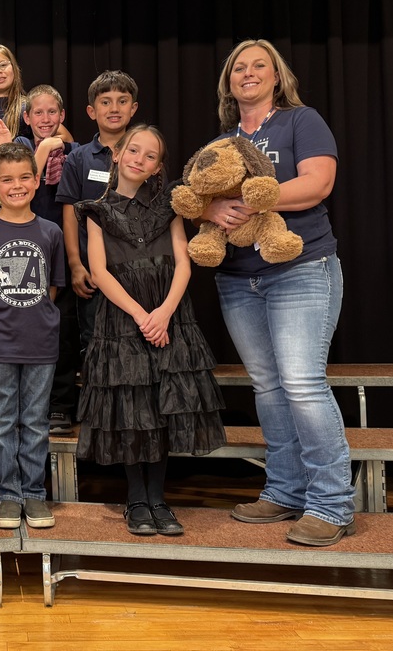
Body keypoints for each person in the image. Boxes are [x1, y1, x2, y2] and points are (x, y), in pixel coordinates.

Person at [201, 39, 353, 547]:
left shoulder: (300, 121)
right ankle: (286, 490)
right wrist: (211, 210)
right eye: (238, 68)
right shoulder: (222, 141)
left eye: (258, 66)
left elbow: (318, 183)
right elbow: (202, 195)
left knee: (302, 384)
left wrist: (250, 200)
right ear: (228, 82)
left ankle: (331, 504)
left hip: (300, 268)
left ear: (276, 75)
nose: (248, 73)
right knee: (268, 386)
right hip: (237, 277)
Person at [75, 124, 225, 536]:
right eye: (133, 150)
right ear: (118, 154)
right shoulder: (96, 211)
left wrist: (164, 314)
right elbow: (99, 272)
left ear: (158, 167)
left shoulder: (168, 208)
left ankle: (159, 499)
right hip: (124, 322)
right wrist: (142, 316)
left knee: (162, 408)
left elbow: (183, 263)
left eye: (150, 155)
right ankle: (136, 500)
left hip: (169, 318)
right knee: (132, 409)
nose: (139, 159)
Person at [0, 143, 66, 529]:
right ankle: (8, 493)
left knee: (36, 420)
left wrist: (29, 313)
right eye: (7, 179)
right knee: (3, 419)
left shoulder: (51, 232)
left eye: (25, 177)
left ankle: (35, 493)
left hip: (41, 342)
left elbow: (51, 288)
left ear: (37, 181)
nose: (17, 185)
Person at [56, 70, 139, 369]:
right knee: (94, 342)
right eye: (106, 102)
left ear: (133, 108)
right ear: (92, 111)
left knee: (136, 341)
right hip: (92, 271)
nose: (114, 108)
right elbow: (69, 214)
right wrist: (75, 264)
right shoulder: (78, 159)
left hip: (136, 270)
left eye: (122, 101)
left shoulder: (144, 152)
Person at [23, 84, 79, 435]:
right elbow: (20, 187)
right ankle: (24, 406)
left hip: (63, 254)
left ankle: (60, 406)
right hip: (25, 254)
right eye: (38, 112)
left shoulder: (77, 153)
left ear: (62, 116)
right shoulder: (18, 149)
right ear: (27, 117)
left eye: (52, 112)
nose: (45, 118)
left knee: (63, 333)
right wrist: (44, 149)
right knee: (25, 333)